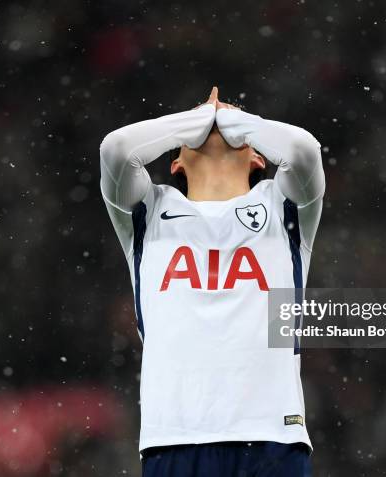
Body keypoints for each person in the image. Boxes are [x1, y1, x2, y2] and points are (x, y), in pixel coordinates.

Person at [99, 87, 325, 476]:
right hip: (174, 437)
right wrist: (203, 119)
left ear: (257, 154)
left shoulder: (281, 205)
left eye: (228, 119)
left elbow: (303, 149)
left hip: (272, 435)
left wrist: (228, 121)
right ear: (175, 164)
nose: (215, 118)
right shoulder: (150, 211)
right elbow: (117, 149)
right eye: (204, 119)